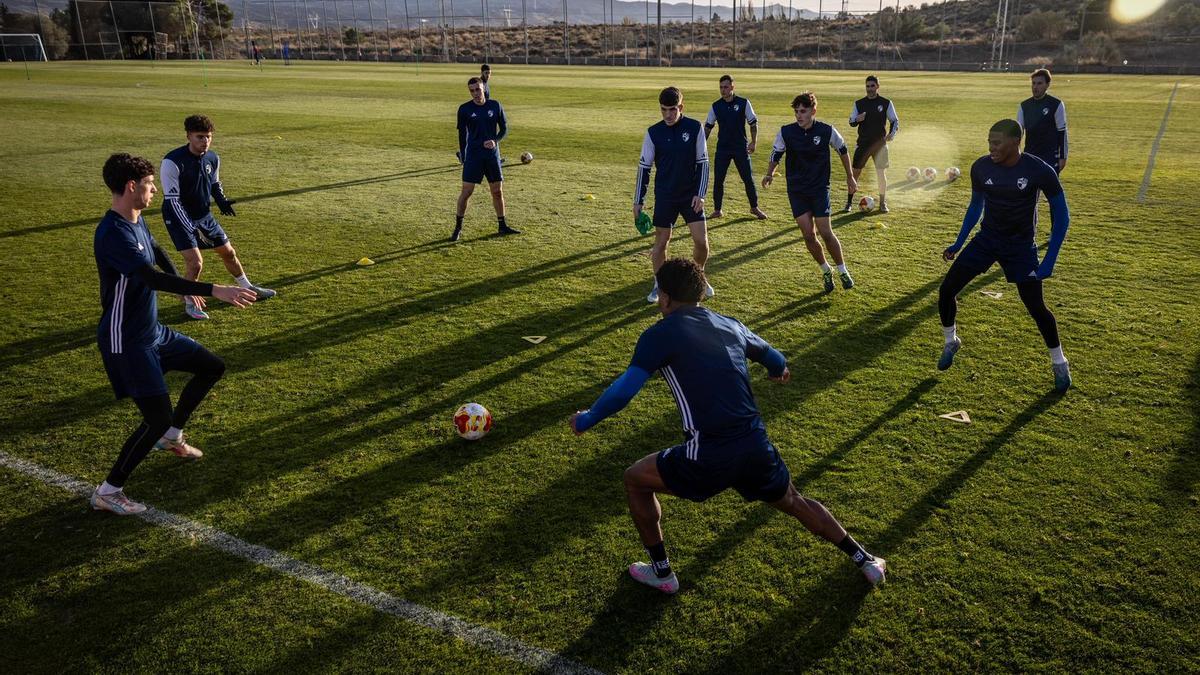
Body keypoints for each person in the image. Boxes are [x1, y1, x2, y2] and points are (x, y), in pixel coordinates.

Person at [568, 258, 886, 593]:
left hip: (708, 454)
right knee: (794, 501)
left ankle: (662, 574)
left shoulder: (658, 335)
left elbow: (623, 391)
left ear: (665, 298)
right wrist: (778, 370)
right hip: (755, 447)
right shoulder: (730, 324)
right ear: (700, 292)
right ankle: (865, 560)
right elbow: (775, 358)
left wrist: (587, 418)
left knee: (635, 479)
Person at [90, 153, 257, 515]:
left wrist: (185, 287)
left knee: (211, 366)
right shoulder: (113, 233)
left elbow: (157, 252)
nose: (154, 191)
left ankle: (170, 437)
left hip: (154, 332)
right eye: (149, 185)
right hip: (126, 341)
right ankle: (108, 491)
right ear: (131, 187)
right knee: (157, 416)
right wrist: (214, 289)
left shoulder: (135, 221)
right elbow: (149, 277)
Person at [937, 119, 1072, 391]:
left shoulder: (1039, 170)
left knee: (1036, 308)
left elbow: (1062, 216)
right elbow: (975, 206)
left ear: (1015, 142)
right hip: (987, 241)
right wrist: (959, 242)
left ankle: (1060, 363)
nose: (991, 148)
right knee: (946, 290)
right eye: (989, 142)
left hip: (1020, 248)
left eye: (997, 143)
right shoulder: (981, 167)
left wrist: (1049, 260)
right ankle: (951, 341)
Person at [161, 115, 276, 320]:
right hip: (179, 218)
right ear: (188, 136)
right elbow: (173, 200)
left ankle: (248, 287)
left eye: (208, 137)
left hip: (204, 216)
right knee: (195, 263)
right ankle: (190, 302)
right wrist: (191, 227)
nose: (205, 141)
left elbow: (214, 183)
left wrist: (221, 200)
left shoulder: (213, 158)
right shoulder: (172, 161)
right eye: (200, 137)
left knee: (228, 253)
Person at [763, 92, 857, 293]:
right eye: (796, 111)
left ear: (813, 111)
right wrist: (769, 173)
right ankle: (826, 269)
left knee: (826, 233)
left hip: (819, 189)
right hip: (796, 190)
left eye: (803, 111)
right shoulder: (786, 132)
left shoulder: (826, 130)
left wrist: (850, 176)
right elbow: (776, 153)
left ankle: (843, 270)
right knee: (808, 235)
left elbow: (842, 150)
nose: (799, 115)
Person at [635, 86, 713, 303]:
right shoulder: (653, 132)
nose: (668, 114)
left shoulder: (695, 128)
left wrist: (700, 194)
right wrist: (638, 201)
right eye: (663, 110)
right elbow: (644, 168)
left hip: (690, 196)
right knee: (662, 241)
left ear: (681, 107)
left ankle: (699, 277)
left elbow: (703, 163)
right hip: (666, 195)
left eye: (672, 109)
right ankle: (659, 284)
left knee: (701, 242)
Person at [454, 77, 518, 241]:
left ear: (484, 89)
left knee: (497, 192)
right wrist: (463, 156)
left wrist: (495, 140)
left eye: (478, 89)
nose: (475, 93)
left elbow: (504, 129)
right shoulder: (464, 109)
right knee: (466, 192)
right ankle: (458, 228)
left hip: (491, 156)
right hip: (473, 156)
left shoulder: (495, 105)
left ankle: (502, 225)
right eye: (472, 91)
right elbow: (462, 135)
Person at [703, 75, 767, 220]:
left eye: (726, 87)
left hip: (740, 148)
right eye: (721, 87)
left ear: (732, 87)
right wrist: (701, 145)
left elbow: (753, 123)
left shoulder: (743, 103)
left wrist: (754, 142)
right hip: (723, 148)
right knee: (718, 180)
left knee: (748, 179)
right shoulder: (716, 106)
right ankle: (717, 210)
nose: (723, 90)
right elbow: (708, 127)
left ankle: (754, 207)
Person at [844, 75, 899, 214]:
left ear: (877, 86)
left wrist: (891, 134)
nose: (869, 89)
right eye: (867, 86)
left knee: (881, 174)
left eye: (872, 86)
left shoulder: (886, 103)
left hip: (880, 145)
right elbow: (851, 121)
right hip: (863, 144)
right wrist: (857, 119)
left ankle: (882, 203)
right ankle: (848, 203)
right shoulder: (859, 103)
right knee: (855, 174)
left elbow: (894, 120)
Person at [1017, 68, 1068, 174]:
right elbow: (1018, 133)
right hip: (1030, 155)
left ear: (1047, 85)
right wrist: (1016, 155)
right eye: (1033, 83)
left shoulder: (1056, 104)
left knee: (1049, 185)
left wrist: (1063, 157)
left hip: (1050, 157)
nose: (1035, 87)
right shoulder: (1024, 106)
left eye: (1039, 83)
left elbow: (1062, 132)